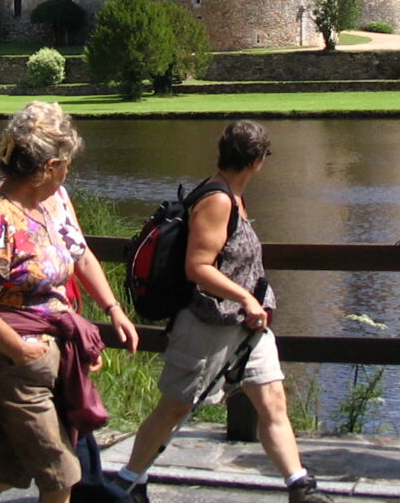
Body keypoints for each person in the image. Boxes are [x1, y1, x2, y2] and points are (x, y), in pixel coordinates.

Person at [108, 120, 335, 503]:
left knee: (273, 402)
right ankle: (129, 482)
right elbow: (198, 267)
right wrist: (246, 299)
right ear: (258, 160)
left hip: (247, 329)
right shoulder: (217, 200)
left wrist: (253, 304)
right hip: (207, 325)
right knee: (174, 408)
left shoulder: (233, 195)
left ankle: (300, 487)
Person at [0, 102, 139, 503]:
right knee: (62, 476)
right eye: (66, 165)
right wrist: (20, 350)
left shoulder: (46, 206)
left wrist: (104, 315)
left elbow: (78, 256)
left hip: (48, 356)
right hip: (16, 366)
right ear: (48, 166)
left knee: (5, 473)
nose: (68, 173)